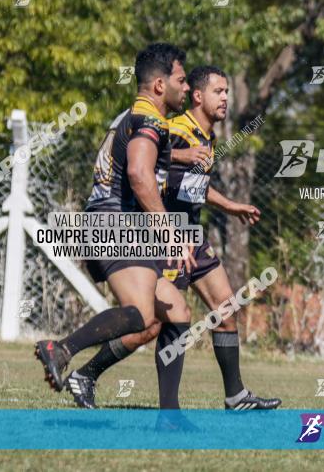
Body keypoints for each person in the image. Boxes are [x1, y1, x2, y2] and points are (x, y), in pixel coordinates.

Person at [64, 66, 281, 411]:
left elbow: (194, 185)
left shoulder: (205, 135)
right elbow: (149, 165)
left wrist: (231, 206)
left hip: (192, 234)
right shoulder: (177, 129)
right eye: (218, 92)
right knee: (154, 324)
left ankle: (236, 396)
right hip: (164, 234)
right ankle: (90, 374)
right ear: (198, 96)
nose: (226, 98)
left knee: (226, 306)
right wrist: (180, 156)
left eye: (227, 92)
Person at [36, 43, 196, 402]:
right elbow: (139, 174)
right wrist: (170, 233)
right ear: (159, 85)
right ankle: (61, 348)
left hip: (110, 222)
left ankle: (160, 412)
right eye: (182, 80)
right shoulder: (151, 121)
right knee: (140, 313)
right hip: (115, 222)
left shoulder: (131, 116)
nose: (186, 88)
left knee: (174, 314)